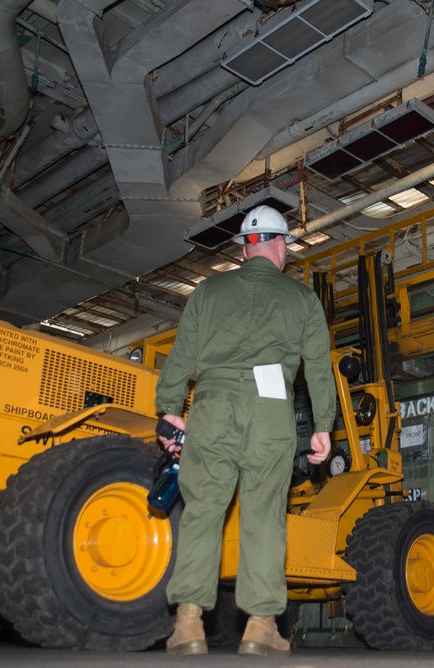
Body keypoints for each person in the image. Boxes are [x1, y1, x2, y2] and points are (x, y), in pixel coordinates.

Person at [154, 204, 336, 658]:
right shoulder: (301, 299)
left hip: (212, 409)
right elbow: (317, 367)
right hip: (270, 411)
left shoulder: (208, 291)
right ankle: (259, 626)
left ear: (243, 248)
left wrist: (170, 409)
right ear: (280, 245)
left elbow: (181, 357)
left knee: (202, 511)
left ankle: (188, 624)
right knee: (264, 517)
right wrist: (323, 427)